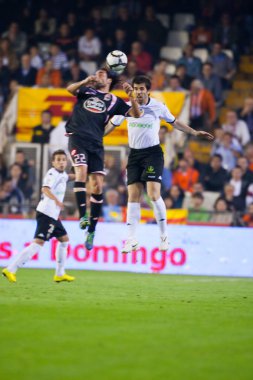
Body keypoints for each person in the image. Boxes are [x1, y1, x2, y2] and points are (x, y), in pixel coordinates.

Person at [105, 75, 213, 253]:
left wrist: (194, 133)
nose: (138, 92)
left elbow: (174, 122)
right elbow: (111, 126)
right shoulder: (125, 107)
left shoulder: (158, 106)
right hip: (134, 155)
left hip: (152, 153)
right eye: (136, 88)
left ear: (147, 90)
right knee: (133, 196)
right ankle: (131, 239)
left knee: (153, 194)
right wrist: (94, 136)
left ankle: (164, 236)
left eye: (141, 89)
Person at [66, 68, 141, 250]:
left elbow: (136, 115)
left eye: (101, 74)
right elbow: (69, 89)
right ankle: (83, 215)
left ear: (108, 80)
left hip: (96, 144)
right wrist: (85, 80)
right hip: (78, 137)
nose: (97, 76)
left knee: (98, 185)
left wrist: (131, 96)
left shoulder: (115, 101)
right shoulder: (86, 90)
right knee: (81, 171)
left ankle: (91, 230)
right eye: (97, 73)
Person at [2, 150, 75, 283]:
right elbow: (45, 189)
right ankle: (11, 269)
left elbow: (70, 177)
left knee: (64, 240)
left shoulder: (62, 174)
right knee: (38, 244)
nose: (61, 162)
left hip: (53, 215)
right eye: (58, 160)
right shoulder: (52, 173)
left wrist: (86, 172)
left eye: (63, 160)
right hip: (46, 213)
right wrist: (57, 201)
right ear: (53, 162)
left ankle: (60, 273)